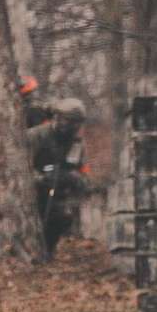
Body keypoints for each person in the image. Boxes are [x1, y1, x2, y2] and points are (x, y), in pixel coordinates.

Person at [28, 97, 88, 256]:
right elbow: (21, 168)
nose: (73, 127)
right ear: (57, 117)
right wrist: (40, 178)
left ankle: (48, 252)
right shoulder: (36, 136)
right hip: (33, 192)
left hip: (58, 194)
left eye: (77, 123)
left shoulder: (76, 143)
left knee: (63, 217)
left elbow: (82, 174)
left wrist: (72, 177)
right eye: (69, 121)